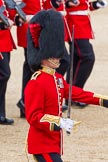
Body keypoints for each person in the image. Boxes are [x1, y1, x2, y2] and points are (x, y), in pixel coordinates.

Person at [24, 9, 108, 162]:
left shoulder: (57, 78)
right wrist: (58, 122)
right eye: (52, 55)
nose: (57, 58)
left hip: (53, 144)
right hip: (42, 145)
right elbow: (33, 117)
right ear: (42, 56)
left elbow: (76, 93)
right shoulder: (36, 82)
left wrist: (103, 100)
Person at [7, 0, 70, 118]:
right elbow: (12, 6)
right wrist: (20, 18)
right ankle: (28, 102)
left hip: (45, 28)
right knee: (33, 66)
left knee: (60, 61)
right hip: (30, 27)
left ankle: (27, 102)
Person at [64, 0, 107, 108]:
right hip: (74, 24)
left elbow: (83, 5)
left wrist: (94, 5)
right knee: (87, 57)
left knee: (76, 60)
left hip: (82, 25)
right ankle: (75, 95)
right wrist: (68, 3)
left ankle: (71, 95)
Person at [0, 0, 16, 125]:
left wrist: (16, 19)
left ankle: (1, 113)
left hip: (5, 42)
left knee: (3, 77)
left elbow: (9, 13)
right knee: (4, 74)